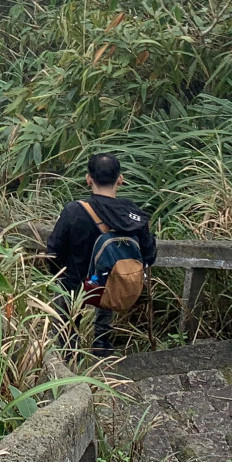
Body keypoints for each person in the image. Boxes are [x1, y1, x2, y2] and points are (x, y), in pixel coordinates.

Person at [43, 150, 150, 356]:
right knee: (108, 277)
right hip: (111, 284)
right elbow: (148, 251)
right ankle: (102, 346)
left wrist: (61, 273)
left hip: (77, 284)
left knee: (65, 323)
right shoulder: (131, 213)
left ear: (88, 179)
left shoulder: (74, 211)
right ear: (120, 179)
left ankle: (68, 356)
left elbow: (53, 252)